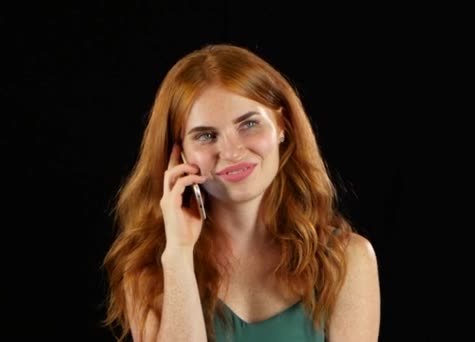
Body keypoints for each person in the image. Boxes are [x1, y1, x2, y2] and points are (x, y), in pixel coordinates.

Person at [102, 43, 380, 342]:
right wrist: (179, 255)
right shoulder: (150, 273)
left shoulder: (346, 260)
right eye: (206, 135)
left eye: (248, 124)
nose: (232, 152)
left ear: (282, 125)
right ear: (179, 153)